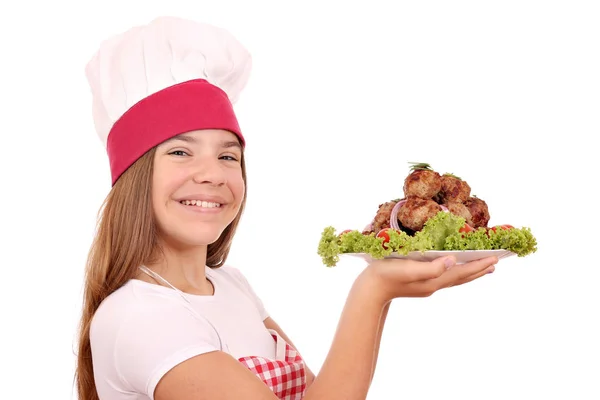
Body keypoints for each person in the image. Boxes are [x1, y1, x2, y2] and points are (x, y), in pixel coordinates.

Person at [74, 16, 498, 400]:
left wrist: (384, 290)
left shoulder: (232, 286)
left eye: (228, 156)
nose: (213, 175)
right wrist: (373, 291)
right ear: (134, 176)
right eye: (181, 153)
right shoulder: (138, 317)